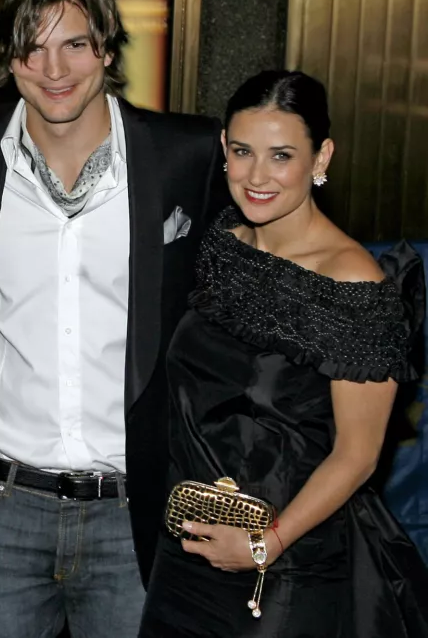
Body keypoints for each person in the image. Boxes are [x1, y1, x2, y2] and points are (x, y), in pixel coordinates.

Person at [0, 0, 227, 638]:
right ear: (7, 58)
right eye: (31, 48)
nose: (54, 69)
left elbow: (222, 316)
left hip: (135, 514)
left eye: (75, 44)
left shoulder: (185, 155)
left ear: (107, 49)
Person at [137, 70, 428, 637]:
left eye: (281, 156)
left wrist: (263, 546)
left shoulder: (354, 286)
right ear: (224, 147)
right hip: (185, 555)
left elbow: (358, 455)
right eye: (243, 151)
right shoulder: (222, 243)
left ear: (322, 157)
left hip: (287, 564)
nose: (256, 176)